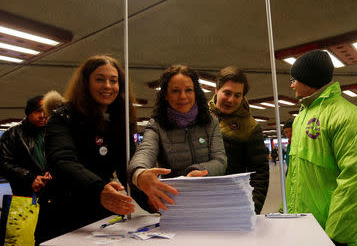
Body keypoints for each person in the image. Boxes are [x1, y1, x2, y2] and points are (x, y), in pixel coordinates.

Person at [36, 55, 137, 243]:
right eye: (100, 79)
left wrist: (152, 194)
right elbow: (62, 161)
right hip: (62, 216)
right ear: (85, 83)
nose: (108, 85)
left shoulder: (120, 122)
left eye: (113, 81)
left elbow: (127, 167)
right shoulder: (62, 118)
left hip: (100, 218)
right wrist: (99, 188)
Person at [285, 50, 357, 246]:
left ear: (307, 78)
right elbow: (296, 173)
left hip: (346, 236)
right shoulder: (301, 118)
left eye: (294, 79)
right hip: (312, 229)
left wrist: (336, 236)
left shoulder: (348, 118)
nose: (291, 84)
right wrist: (285, 212)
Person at [129, 65, 227, 212]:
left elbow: (220, 160)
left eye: (188, 90)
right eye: (175, 91)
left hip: (210, 199)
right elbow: (145, 151)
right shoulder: (157, 125)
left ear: (196, 93)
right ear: (166, 95)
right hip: (175, 204)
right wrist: (140, 173)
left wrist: (198, 171)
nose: (182, 96)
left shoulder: (210, 121)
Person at [208, 66, 269, 215]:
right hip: (199, 201)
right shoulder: (199, 118)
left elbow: (260, 174)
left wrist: (252, 210)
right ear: (216, 91)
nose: (231, 100)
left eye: (237, 95)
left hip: (233, 204)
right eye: (227, 93)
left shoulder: (250, 127)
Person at [0, 95, 51, 197]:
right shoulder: (12, 134)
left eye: (46, 111)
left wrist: (53, 172)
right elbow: (3, 163)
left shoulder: (54, 131)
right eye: (37, 111)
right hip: (25, 193)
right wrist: (30, 177)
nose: (43, 115)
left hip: (53, 192)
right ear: (28, 113)